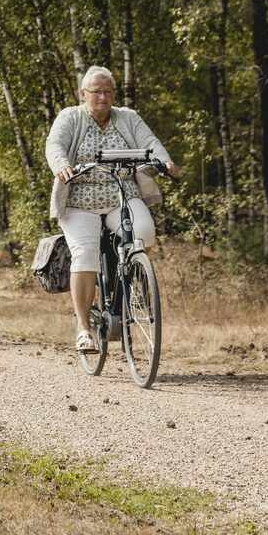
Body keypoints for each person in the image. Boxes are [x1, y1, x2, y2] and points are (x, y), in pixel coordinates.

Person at [44, 66, 181, 354]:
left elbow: (149, 143)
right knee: (85, 254)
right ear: (84, 94)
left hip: (122, 195)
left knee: (143, 231)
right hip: (79, 201)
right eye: (96, 92)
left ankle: (130, 286)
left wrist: (164, 161)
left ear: (114, 95)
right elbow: (54, 145)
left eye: (108, 92)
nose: (103, 97)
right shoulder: (70, 117)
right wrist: (61, 165)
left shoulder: (127, 117)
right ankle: (83, 329)